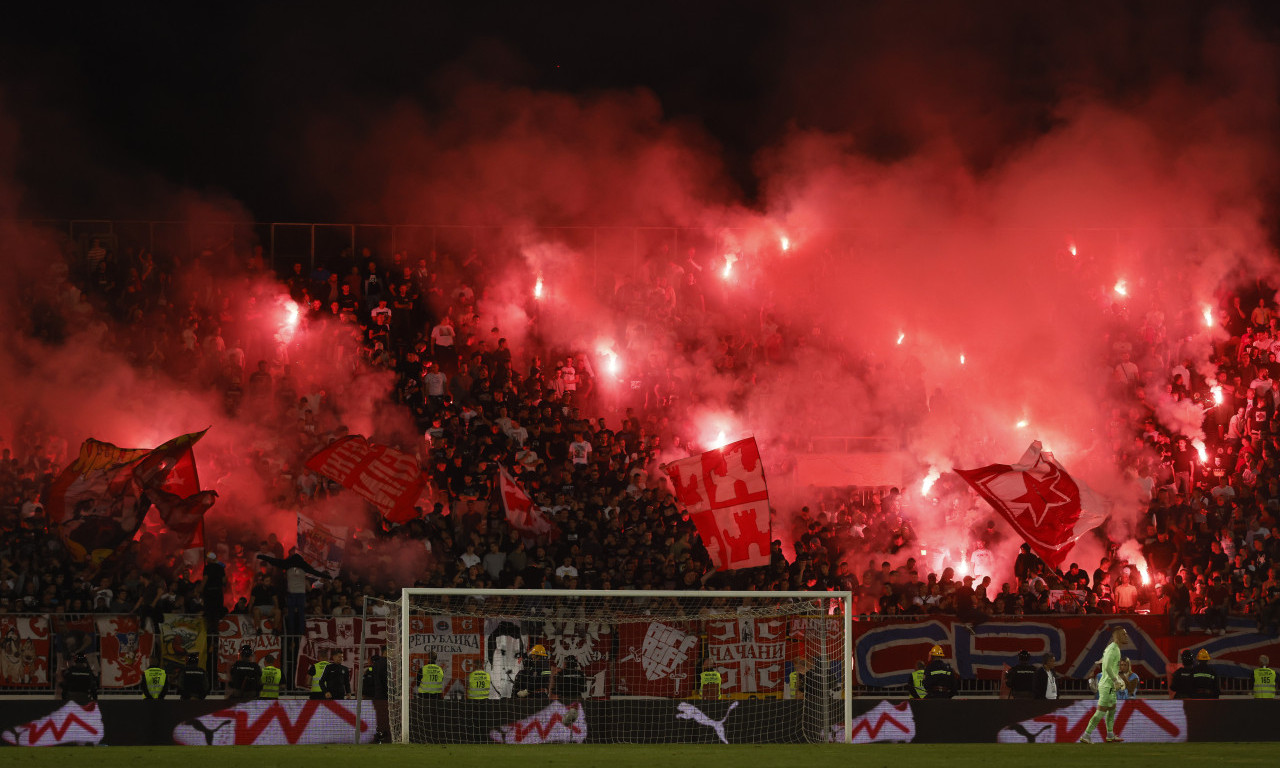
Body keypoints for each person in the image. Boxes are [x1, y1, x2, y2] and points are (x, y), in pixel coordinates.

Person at [1079, 627, 1129, 743]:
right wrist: (1116, 680)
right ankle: (1086, 735)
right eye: (1124, 634)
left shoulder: (1113, 648)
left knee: (1112, 710)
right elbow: (1106, 667)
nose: (1126, 636)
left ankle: (1110, 735)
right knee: (1101, 712)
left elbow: (1105, 661)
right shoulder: (1113, 649)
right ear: (1117, 636)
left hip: (1110, 686)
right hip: (1107, 685)